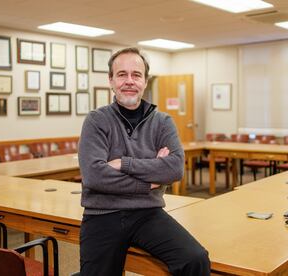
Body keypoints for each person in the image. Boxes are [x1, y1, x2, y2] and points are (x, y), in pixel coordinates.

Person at [78, 47, 210, 276]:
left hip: (148, 213)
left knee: (195, 259)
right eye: (122, 74)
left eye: (136, 75)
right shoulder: (96, 121)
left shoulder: (163, 122)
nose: (129, 81)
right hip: (102, 215)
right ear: (111, 80)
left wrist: (123, 163)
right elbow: (94, 176)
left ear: (145, 81)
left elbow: (175, 168)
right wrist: (149, 182)